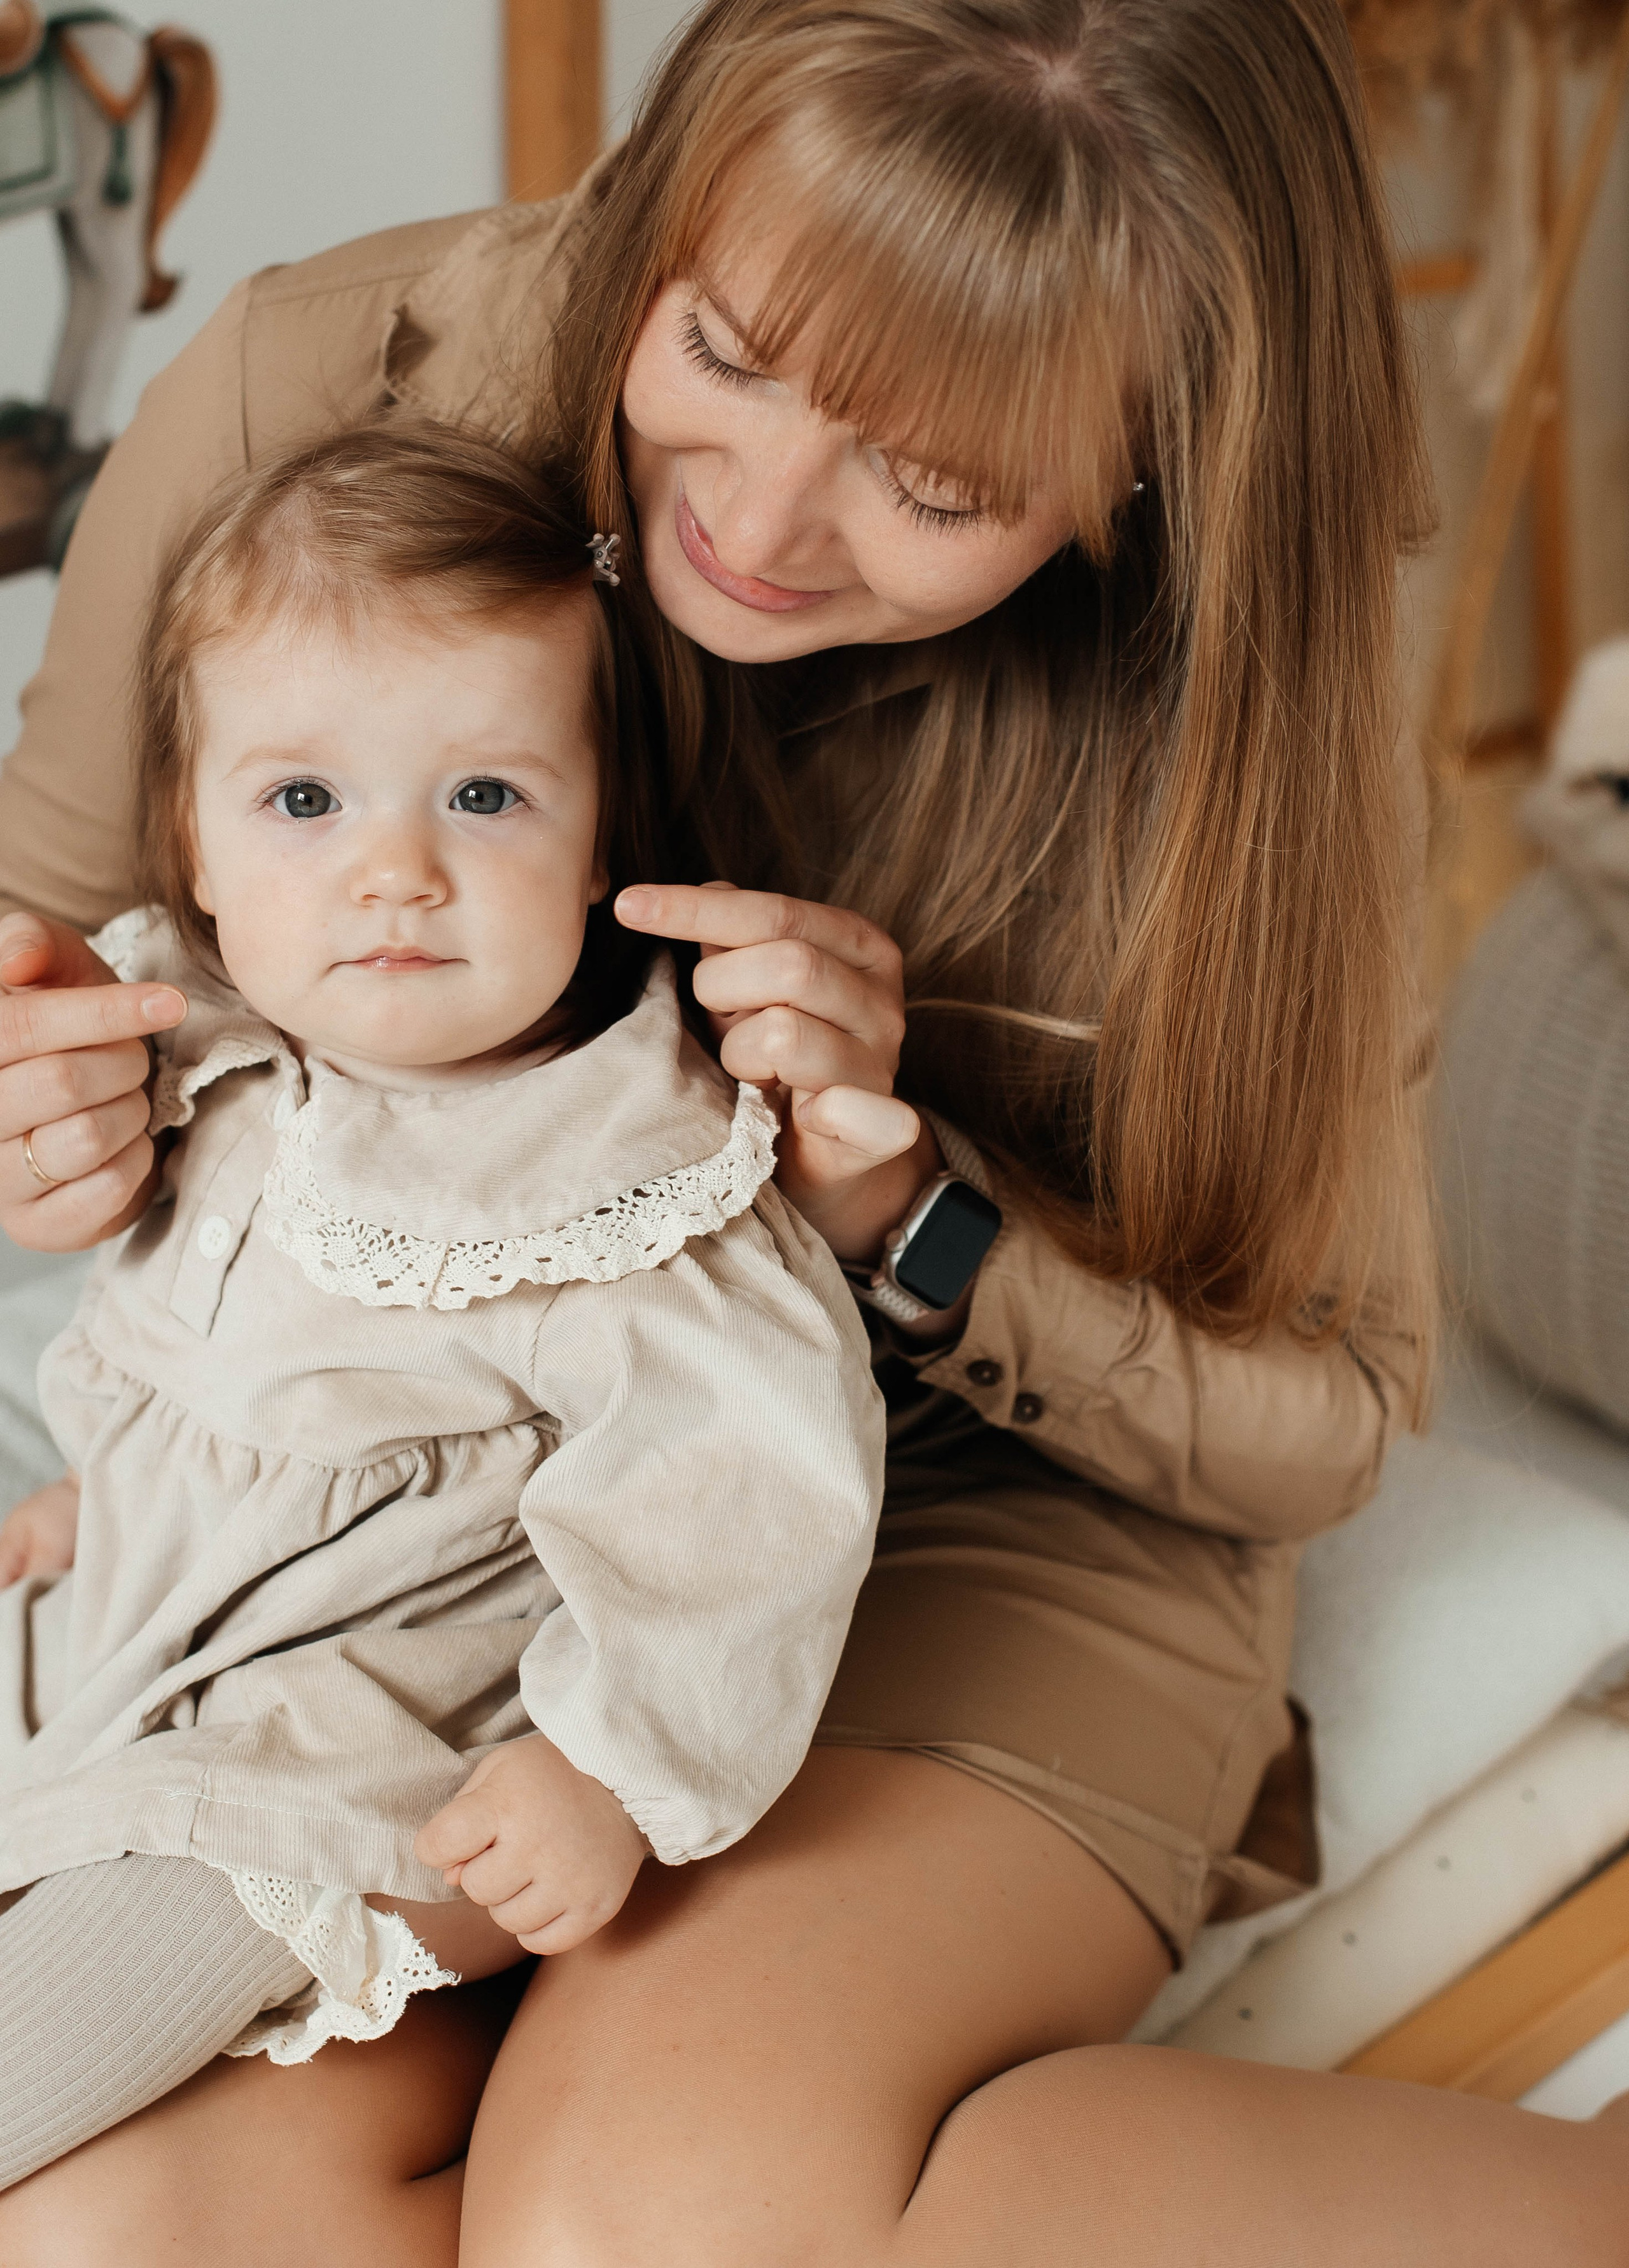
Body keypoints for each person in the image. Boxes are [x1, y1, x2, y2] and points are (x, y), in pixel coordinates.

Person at [0, 0, 1625, 2258]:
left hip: (968, 1526)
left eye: (938, 485)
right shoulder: (319, 386)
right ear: (672, 194)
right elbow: (46, 937)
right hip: (425, 1531)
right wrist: (54, 1118)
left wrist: (912, 1212)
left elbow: (1325, 1420)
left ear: (1149, 468)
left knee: (639, 2221)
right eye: (724, 347)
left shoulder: (1241, 722)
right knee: (116, 2227)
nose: (753, 527)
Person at [0, 419, 881, 2186]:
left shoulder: (624, 1182)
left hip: (371, 1731)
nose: (391, 870)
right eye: (304, 802)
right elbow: (226, 1353)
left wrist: (610, 1772)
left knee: (85, 1981)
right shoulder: (210, 1042)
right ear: (197, 829)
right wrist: (117, 1483)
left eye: (482, 797)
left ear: (598, 835)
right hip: (135, 1620)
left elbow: (749, 1517)